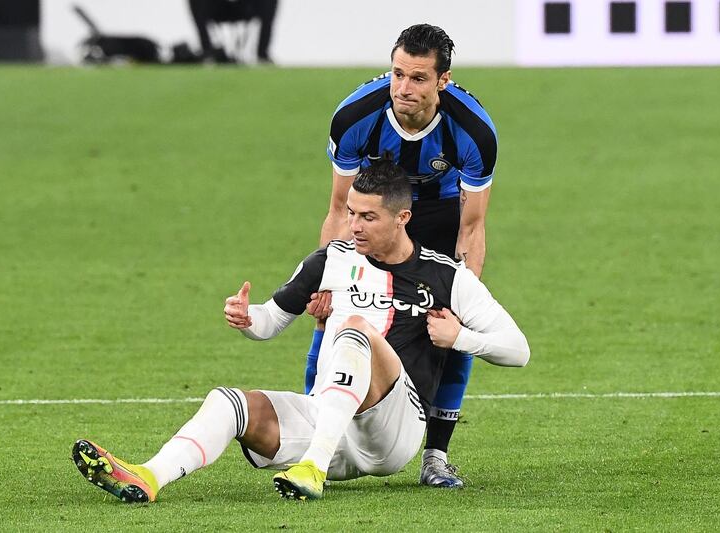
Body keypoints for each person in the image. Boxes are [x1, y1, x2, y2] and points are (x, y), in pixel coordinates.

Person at [71, 162, 529, 503]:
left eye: (368, 217)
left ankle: (312, 467)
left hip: (397, 428)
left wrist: (461, 339)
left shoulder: (447, 276)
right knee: (229, 403)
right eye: (351, 212)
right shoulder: (331, 260)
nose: (353, 226)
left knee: (352, 329)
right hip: (330, 420)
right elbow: (272, 320)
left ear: (402, 219)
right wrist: (248, 319)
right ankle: (149, 478)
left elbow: (518, 351)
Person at [305, 23, 499, 488]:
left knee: (450, 329)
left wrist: (460, 296)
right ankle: (315, 442)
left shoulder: (473, 132)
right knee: (333, 316)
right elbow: (338, 209)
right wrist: (327, 282)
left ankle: (435, 456)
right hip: (374, 212)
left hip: (438, 214)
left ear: (443, 81)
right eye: (397, 74)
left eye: (417, 78)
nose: (402, 88)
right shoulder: (354, 118)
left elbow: (471, 226)